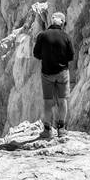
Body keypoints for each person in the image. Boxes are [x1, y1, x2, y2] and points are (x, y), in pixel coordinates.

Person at [32, 8, 74, 141]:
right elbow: (71, 56)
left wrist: (47, 57)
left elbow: (36, 54)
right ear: (62, 24)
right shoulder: (66, 37)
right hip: (62, 73)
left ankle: (47, 130)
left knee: (48, 102)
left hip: (47, 74)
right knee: (62, 101)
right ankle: (61, 129)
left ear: (51, 22)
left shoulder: (42, 35)